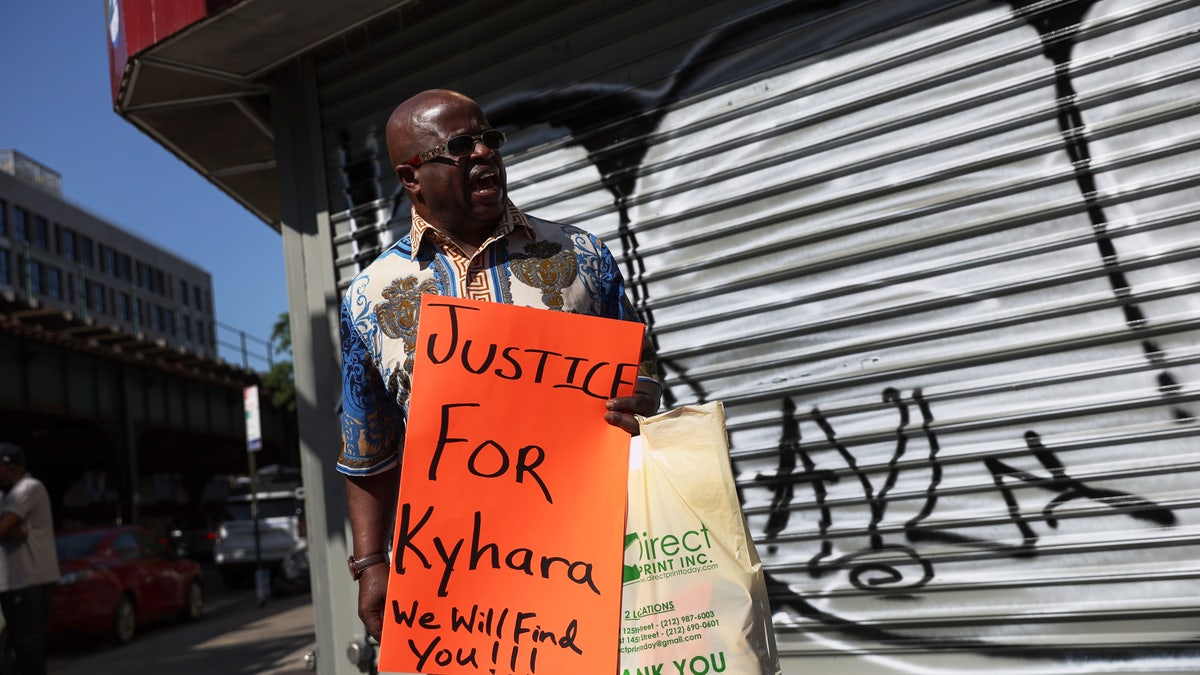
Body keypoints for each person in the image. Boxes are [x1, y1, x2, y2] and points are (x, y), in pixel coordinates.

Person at [337, 89, 662, 640]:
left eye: (489, 138)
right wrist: (371, 566)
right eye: (459, 146)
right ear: (410, 178)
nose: (483, 153)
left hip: (594, 549)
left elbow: (644, 373)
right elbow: (368, 447)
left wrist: (643, 398)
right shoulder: (370, 296)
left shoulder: (581, 255)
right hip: (460, 572)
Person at [0, 443, 59, 675]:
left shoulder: (29, 487)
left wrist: (8, 528)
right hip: (11, 582)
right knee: (18, 650)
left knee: (29, 649)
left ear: (9, 466)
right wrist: (9, 529)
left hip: (31, 581)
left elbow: (4, 528)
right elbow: (8, 530)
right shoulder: (5, 494)